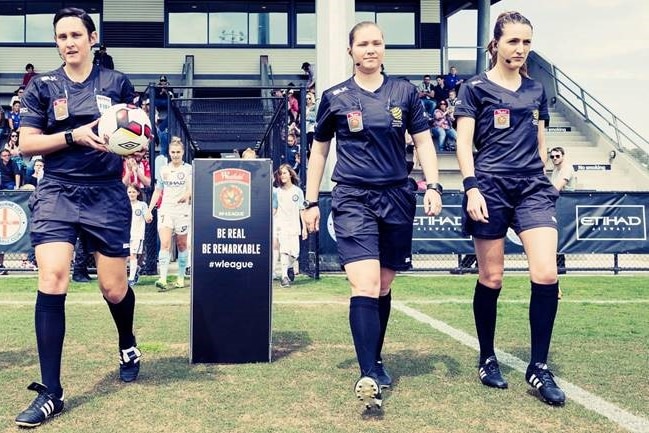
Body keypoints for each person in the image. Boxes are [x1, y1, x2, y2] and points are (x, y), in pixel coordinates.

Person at [303, 21, 443, 410]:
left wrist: (433, 185)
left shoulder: (405, 92)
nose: (370, 49)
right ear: (350, 51)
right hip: (352, 197)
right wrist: (311, 200)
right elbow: (318, 152)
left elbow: (423, 141)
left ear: (384, 48)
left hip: (397, 195)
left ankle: (375, 359)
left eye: (377, 43)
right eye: (363, 44)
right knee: (363, 283)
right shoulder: (334, 98)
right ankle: (367, 374)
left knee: (382, 284)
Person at [15, 7, 144, 427]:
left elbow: (141, 131)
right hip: (56, 191)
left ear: (92, 38)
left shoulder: (116, 82)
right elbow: (26, 144)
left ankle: (126, 340)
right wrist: (73, 135)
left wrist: (136, 142)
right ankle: (51, 392)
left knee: (113, 289)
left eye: (75, 34)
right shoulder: (42, 87)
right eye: (61, 37)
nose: (68, 42)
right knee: (52, 277)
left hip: (106, 194)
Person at [454, 11, 565, 406]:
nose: (520, 49)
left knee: (546, 272)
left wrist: (548, 174)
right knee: (493, 278)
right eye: (513, 41)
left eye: (526, 42)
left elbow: (539, 138)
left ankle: (539, 367)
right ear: (496, 44)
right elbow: (464, 143)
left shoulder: (537, 90)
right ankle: (487, 357)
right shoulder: (475, 88)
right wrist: (471, 188)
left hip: (532, 187)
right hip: (490, 186)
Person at [147, 136, 192, 291]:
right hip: (166, 210)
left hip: (183, 211)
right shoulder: (164, 169)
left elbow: (191, 187)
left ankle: (180, 277)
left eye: (178, 152)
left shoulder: (188, 169)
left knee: (181, 244)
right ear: (169, 153)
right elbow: (158, 190)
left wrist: (187, 195)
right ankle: (163, 278)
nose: (175, 155)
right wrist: (149, 209)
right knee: (165, 244)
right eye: (173, 152)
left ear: (183, 152)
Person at [274, 164, 307, 287]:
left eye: (285, 173)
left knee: (294, 253)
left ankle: (290, 267)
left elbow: (301, 209)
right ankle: (284, 277)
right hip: (281, 225)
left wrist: (304, 228)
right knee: (284, 251)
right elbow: (274, 209)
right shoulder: (276, 192)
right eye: (281, 173)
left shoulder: (298, 191)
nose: (282, 176)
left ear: (290, 174)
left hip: (294, 226)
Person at [127, 184, 151, 286]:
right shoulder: (124, 204)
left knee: (133, 255)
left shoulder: (142, 205)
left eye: (133, 192)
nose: (131, 194)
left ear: (138, 193)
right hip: (125, 235)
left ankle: (131, 278)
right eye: (129, 192)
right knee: (126, 257)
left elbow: (147, 217)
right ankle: (135, 269)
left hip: (137, 235)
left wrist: (148, 217)